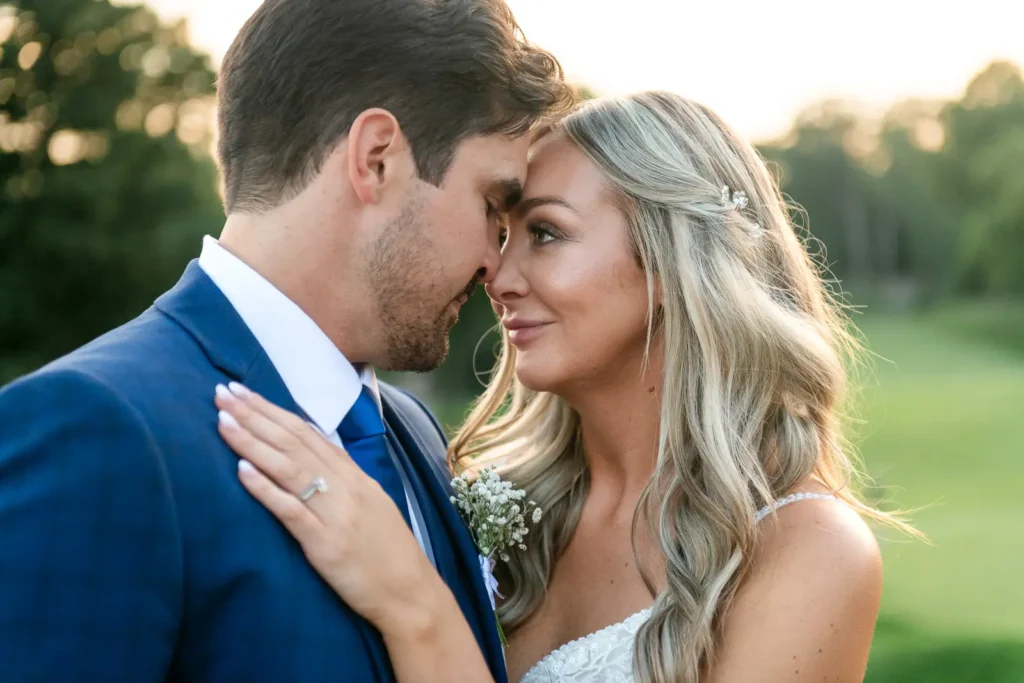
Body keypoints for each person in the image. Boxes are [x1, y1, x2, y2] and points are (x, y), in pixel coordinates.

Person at [216, 91, 916, 683]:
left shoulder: (808, 552)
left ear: (671, 264)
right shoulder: (495, 502)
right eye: (501, 230)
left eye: (545, 233)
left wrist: (411, 602)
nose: (497, 272)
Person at [0, 0, 574, 680]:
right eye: (490, 206)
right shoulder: (99, 431)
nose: (493, 262)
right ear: (377, 159)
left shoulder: (415, 433)